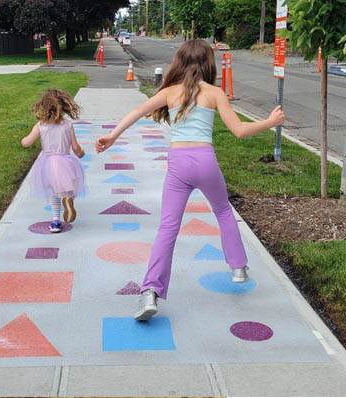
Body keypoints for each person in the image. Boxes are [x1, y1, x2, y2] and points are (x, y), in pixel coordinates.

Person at [94, 39, 285, 321]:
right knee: (222, 211)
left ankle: (150, 292)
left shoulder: (171, 92)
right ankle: (238, 268)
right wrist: (270, 123)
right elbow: (240, 131)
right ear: (209, 64)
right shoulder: (215, 93)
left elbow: (138, 112)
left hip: (178, 165)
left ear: (179, 64)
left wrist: (112, 136)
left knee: (168, 228)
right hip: (206, 162)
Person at [22, 89, 87, 233]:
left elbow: (28, 142)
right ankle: (68, 198)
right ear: (63, 107)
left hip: (47, 163)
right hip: (65, 160)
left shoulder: (41, 126)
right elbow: (76, 148)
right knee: (67, 185)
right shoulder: (67, 125)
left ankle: (56, 222)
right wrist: (81, 154)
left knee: (54, 193)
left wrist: (23, 141)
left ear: (43, 107)